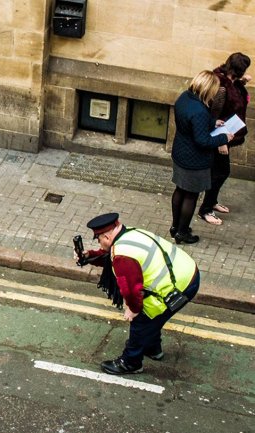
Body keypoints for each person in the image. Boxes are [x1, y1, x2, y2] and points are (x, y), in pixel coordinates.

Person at [76, 213, 201, 375]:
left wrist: (133, 309)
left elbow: (130, 289)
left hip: (178, 287)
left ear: (106, 236)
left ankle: (131, 362)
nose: (99, 243)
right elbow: (111, 257)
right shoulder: (131, 233)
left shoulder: (122, 254)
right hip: (189, 273)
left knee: (142, 320)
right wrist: (89, 256)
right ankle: (152, 348)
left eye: (98, 239)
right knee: (154, 318)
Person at [170, 70, 233, 244]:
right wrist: (223, 138)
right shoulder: (200, 110)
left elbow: (191, 124)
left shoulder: (185, 97)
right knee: (191, 196)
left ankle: (175, 227)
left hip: (180, 153)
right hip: (194, 160)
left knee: (180, 190)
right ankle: (183, 233)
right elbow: (202, 141)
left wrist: (212, 123)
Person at [198, 53, 251, 225]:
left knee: (220, 172)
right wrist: (221, 141)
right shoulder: (221, 87)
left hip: (227, 135)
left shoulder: (229, 80)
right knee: (220, 172)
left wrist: (241, 83)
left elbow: (232, 95)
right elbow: (215, 115)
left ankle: (211, 202)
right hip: (220, 137)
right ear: (238, 70)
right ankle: (205, 209)